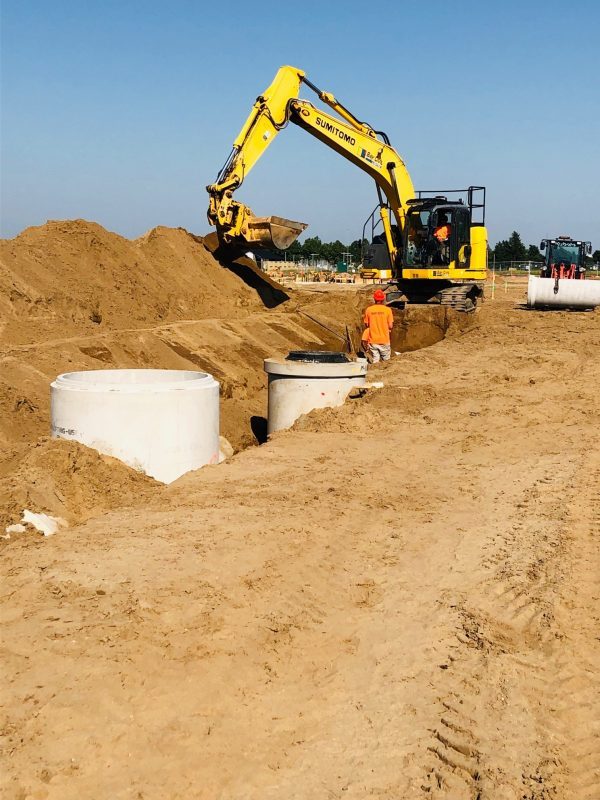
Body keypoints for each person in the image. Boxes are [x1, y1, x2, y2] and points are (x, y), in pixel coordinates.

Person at [363, 289, 394, 363]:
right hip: (384, 340)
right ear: (383, 299)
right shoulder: (388, 310)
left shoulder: (369, 310)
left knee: (375, 361)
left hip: (373, 340)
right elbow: (390, 326)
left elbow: (367, 325)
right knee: (386, 362)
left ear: (374, 299)